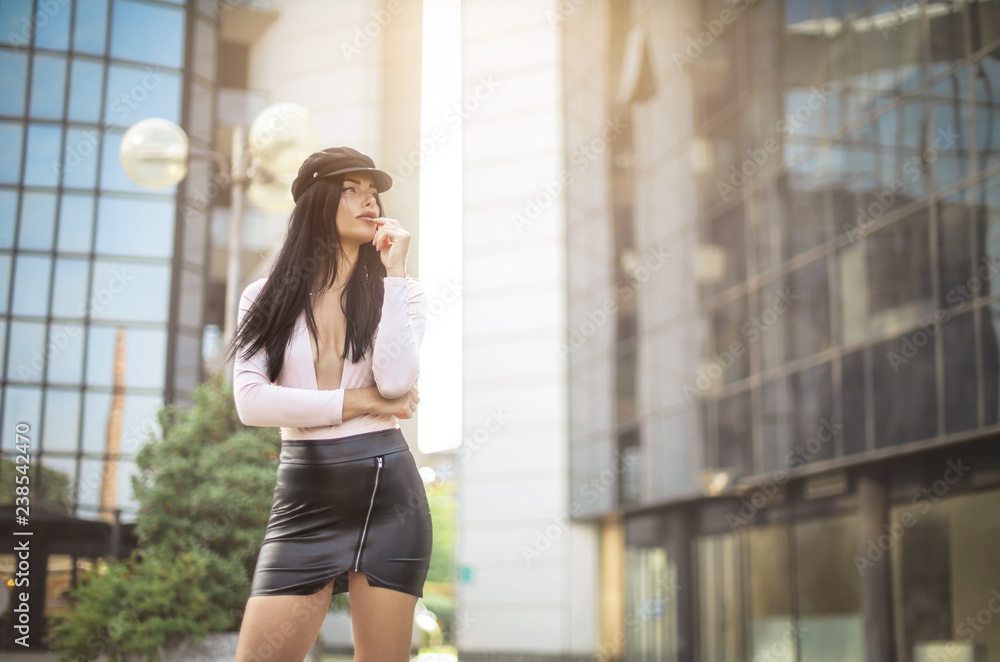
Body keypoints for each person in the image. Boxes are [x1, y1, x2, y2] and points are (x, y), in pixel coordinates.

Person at [224, 146, 432, 662]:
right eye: (351, 189)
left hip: (388, 494)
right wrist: (359, 402)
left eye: (374, 191)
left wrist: (395, 272)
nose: (369, 200)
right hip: (304, 494)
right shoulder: (265, 297)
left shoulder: (401, 292)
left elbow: (397, 381)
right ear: (317, 202)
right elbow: (251, 403)